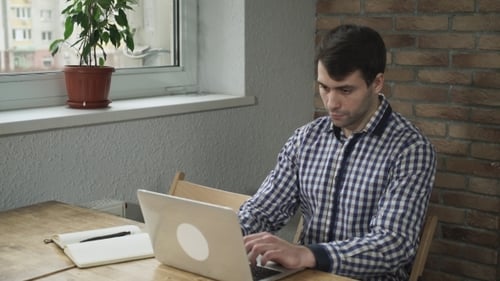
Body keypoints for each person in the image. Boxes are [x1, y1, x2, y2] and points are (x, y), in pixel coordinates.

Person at [238, 24, 436, 280]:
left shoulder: (411, 149)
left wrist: (306, 255)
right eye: (324, 87)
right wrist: (227, 236)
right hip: (306, 275)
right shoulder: (305, 139)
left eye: (345, 90)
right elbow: (262, 210)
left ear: (377, 83)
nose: (331, 103)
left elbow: (393, 244)